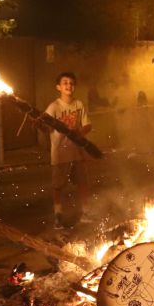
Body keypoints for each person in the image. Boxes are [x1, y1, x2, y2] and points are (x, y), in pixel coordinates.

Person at [46, 71, 92, 228]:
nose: (68, 85)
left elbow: (87, 124)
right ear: (58, 87)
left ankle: (86, 212)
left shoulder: (79, 105)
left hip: (77, 152)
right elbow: (45, 126)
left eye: (71, 83)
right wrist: (39, 124)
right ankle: (58, 214)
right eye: (65, 83)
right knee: (58, 186)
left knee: (83, 183)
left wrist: (80, 132)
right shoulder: (54, 107)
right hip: (60, 154)